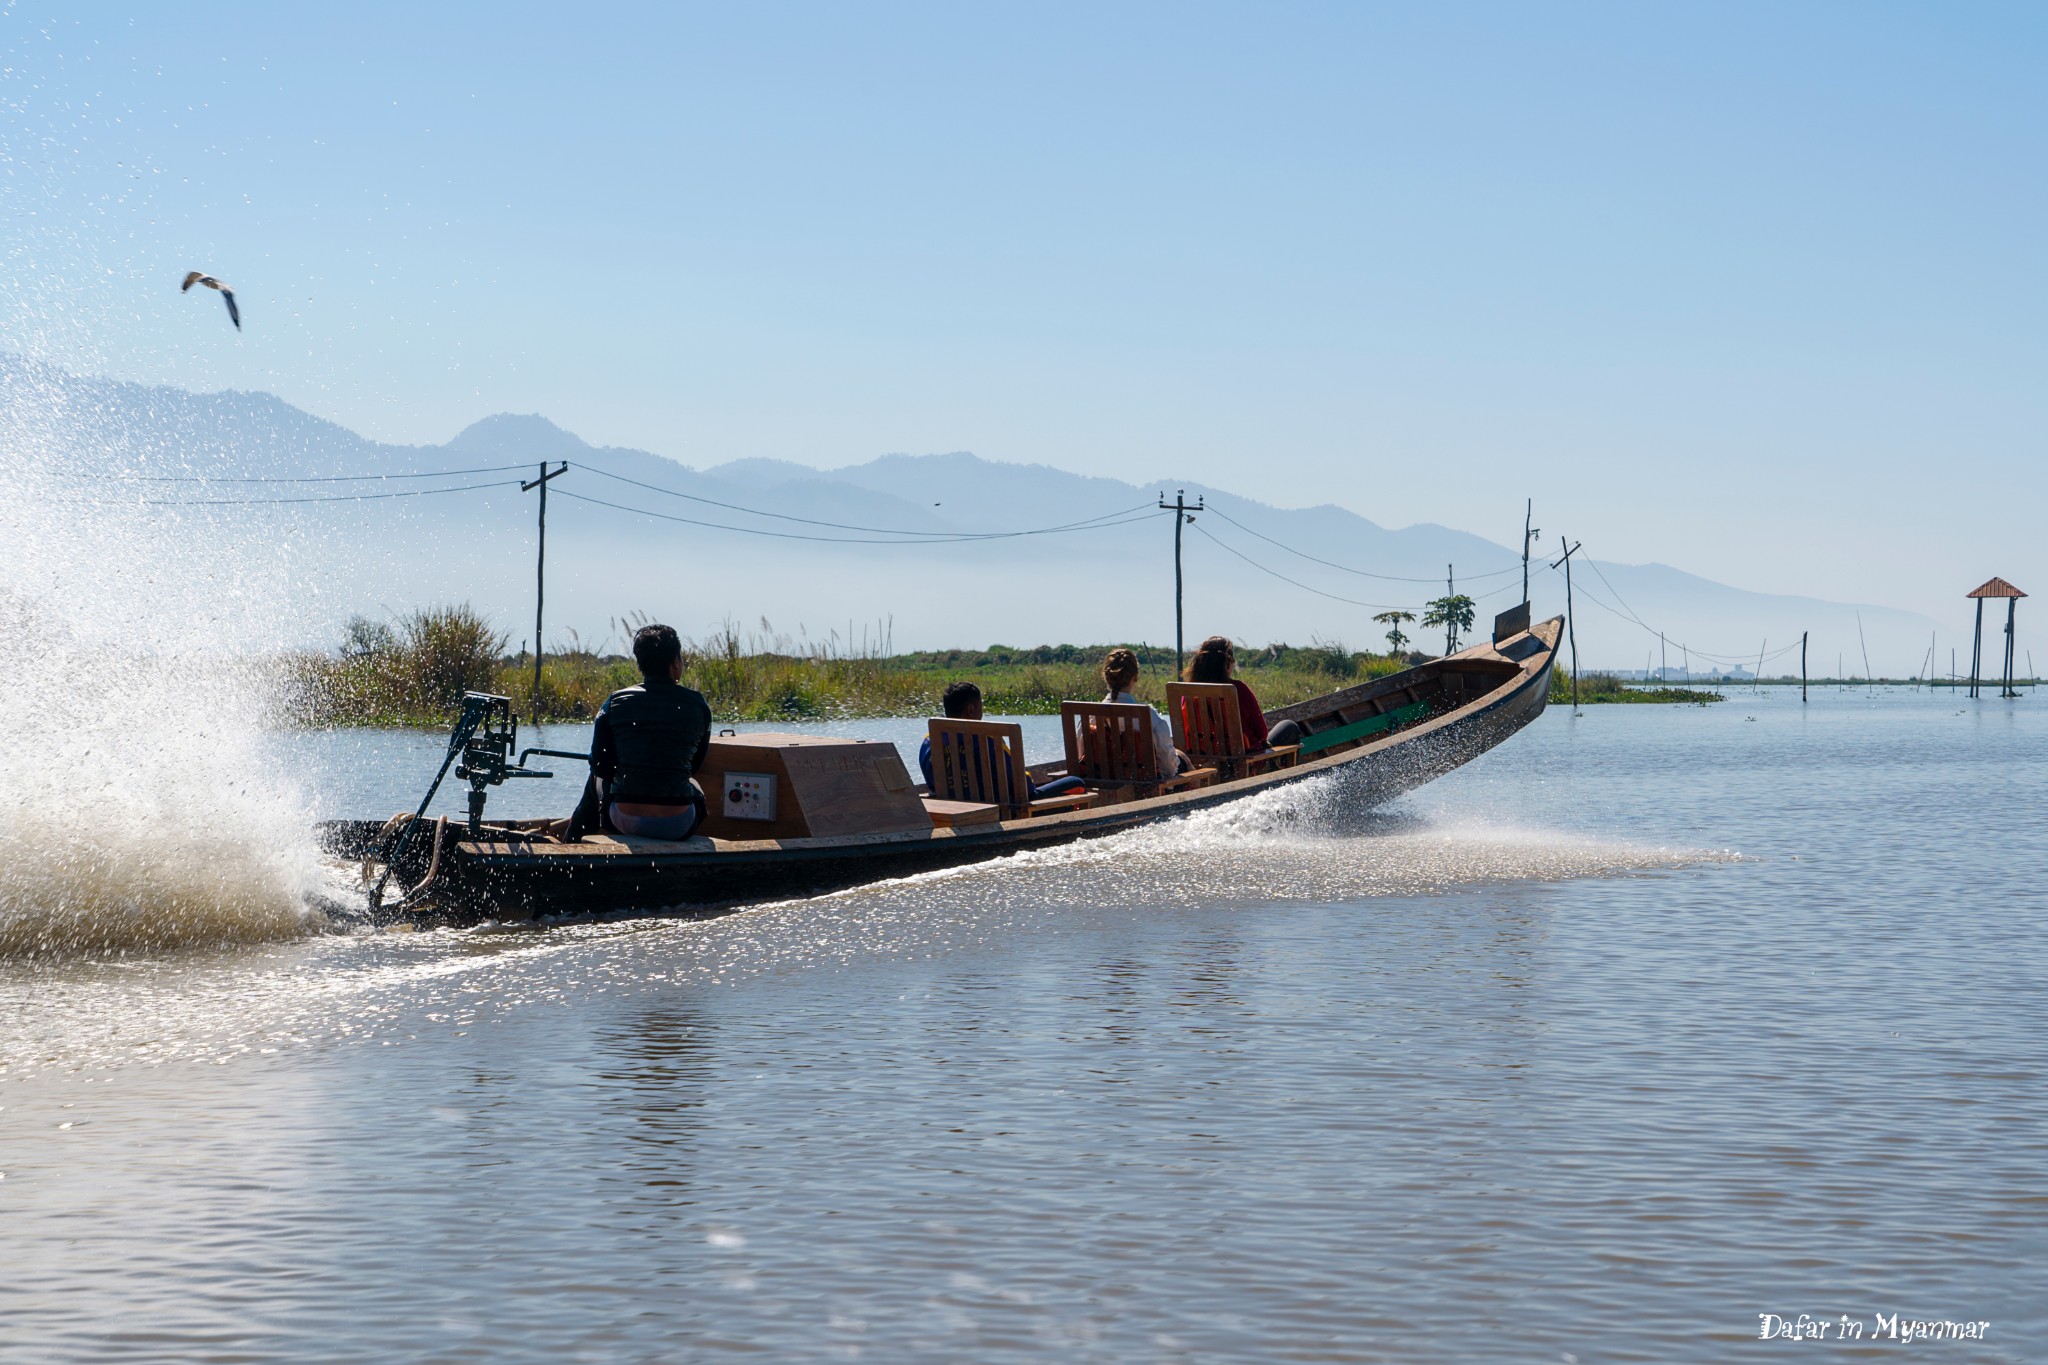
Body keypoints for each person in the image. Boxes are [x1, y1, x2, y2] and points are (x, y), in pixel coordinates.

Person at [567, 623, 711, 840]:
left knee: (594, 778)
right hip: (679, 823)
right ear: (675, 664)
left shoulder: (614, 702)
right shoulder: (698, 705)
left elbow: (600, 765)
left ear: (640, 664)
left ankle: (571, 848)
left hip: (623, 820)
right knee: (692, 785)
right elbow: (694, 766)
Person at [920, 680, 1088, 800]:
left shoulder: (929, 741)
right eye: (980, 707)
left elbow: (933, 783)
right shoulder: (988, 738)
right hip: (1001, 808)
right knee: (1076, 782)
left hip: (951, 805)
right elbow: (1024, 786)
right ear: (971, 709)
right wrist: (1030, 780)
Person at [1184, 635, 1303, 750]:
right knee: (1289, 726)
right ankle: (1275, 767)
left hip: (1201, 757)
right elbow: (1262, 733)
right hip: (1244, 759)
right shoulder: (1237, 689)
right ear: (1226, 664)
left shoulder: (1187, 693)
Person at [1100, 647, 1191, 779]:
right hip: (1143, 779)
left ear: (1105, 676)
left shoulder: (1090, 715)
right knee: (1183, 760)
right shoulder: (1146, 715)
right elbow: (1168, 763)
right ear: (1135, 677)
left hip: (1104, 777)